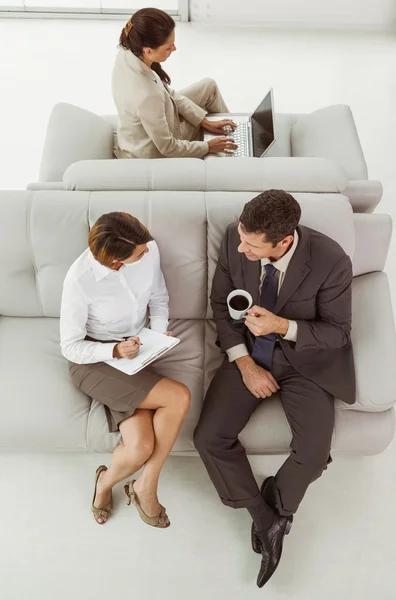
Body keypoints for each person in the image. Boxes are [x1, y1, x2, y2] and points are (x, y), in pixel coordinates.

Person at [194, 190, 355, 587]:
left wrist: (283, 327)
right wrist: (245, 364)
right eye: (241, 238)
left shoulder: (331, 260)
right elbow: (220, 305)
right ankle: (266, 519)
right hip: (249, 355)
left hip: (306, 362)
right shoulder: (237, 236)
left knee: (315, 455)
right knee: (209, 438)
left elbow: (338, 333)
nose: (239, 247)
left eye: (251, 244)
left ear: (283, 241)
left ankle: (277, 501)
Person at [60, 211, 191, 527]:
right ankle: (141, 486)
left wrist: (157, 335)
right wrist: (114, 350)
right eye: (139, 252)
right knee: (178, 397)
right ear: (115, 260)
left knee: (139, 448)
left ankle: (115, 481)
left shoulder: (148, 248)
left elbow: (159, 299)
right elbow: (70, 347)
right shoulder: (80, 281)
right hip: (95, 360)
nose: (147, 251)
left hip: (139, 350)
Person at [112, 7, 238, 159]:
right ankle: (233, 150)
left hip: (156, 120)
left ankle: (233, 135)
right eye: (168, 47)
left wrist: (203, 121)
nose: (175, 48)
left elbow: (168, 93)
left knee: (208, 86)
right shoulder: (147, 95)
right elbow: (168, 147)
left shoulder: (128, 52)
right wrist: (208, 146)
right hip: (155, 150)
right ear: (148, 51)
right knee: (212, 143)